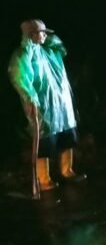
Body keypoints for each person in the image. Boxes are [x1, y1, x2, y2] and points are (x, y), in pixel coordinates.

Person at [8, 19, 86, 192]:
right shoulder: (22, 55)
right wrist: (30, 98)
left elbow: (62, 48)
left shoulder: (48, 51)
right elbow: (19, 77)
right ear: (31, 35)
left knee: (67, 137)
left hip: (61, 105)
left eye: (44, 32)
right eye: (41, 32)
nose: (45, 35)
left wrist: (47, 37)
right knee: (45, 143)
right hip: (43, 107)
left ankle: (67, 171)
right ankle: (44, 180)